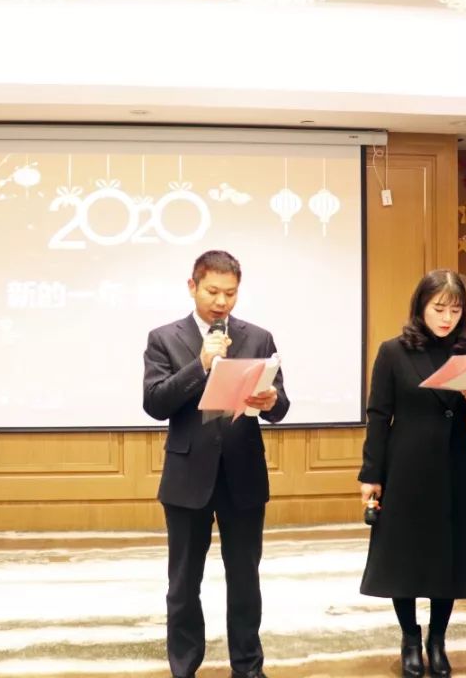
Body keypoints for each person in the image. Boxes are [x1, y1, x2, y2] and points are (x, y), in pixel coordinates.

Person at [143, 249, 290, 678]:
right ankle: (184, 667)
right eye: (212, 291)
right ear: (192, 286)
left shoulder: (259, 337)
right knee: (183, 583)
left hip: (243, 474)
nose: (222, 301)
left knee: (245, 579)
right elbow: (155, 403)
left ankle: (248, 667)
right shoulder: (164, 338)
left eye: (230, 293)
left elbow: (281, 406)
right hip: (188, 476)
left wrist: (271, 400)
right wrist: (201, 364)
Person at [357, 269, 466, 678]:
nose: (446, 318)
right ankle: (409, 637)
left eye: (455, 310)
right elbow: (378, 415)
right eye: (439, 308)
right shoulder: (393, 352)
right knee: (403, 555)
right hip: (405, 464)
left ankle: (437, 640)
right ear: (421, 306)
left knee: (447, 554)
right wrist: (371, 474)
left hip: (454, 462)